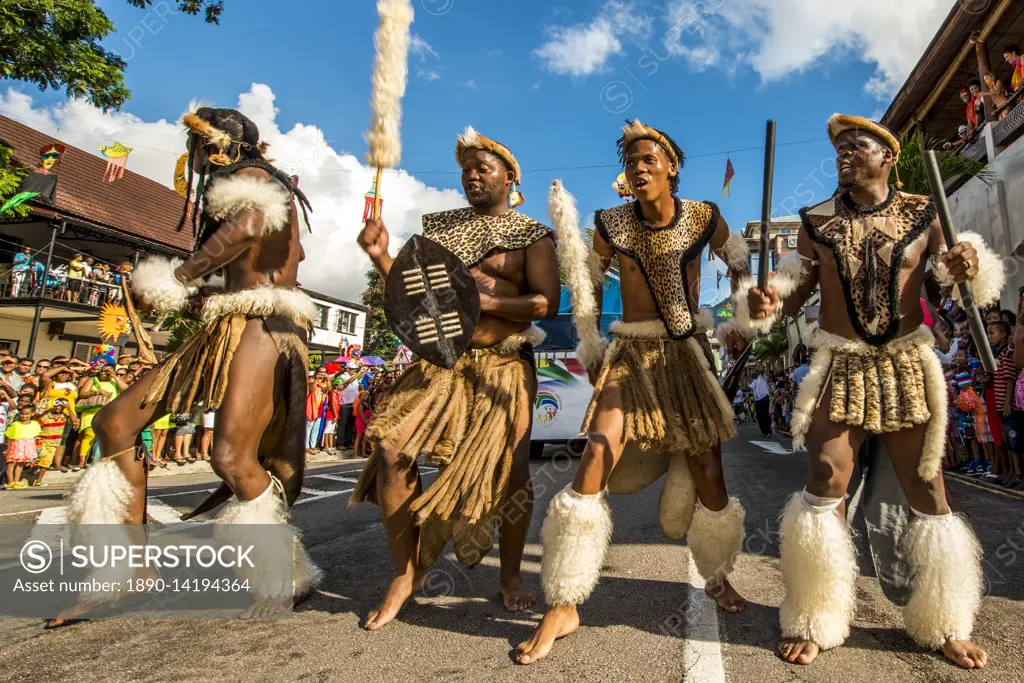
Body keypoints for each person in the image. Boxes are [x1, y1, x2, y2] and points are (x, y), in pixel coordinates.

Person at [741, 114, 1000, 668]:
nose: (843, 152)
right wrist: (765, 302)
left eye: (857, 145)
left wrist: (965, 264)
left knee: (926, 490)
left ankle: (946, 621)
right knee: (825, 478)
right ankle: (815, 615)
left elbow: (950, 281)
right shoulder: (816, 222)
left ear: (888, 157)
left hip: (906, 365)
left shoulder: (925, 215)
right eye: (838, 145)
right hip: (840, 364)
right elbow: (790, 289)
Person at [51, 107, 321, 627]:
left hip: (266, 323)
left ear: (218, 145)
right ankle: (127, 568)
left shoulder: (255, 179)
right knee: (114, 423)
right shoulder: (249, 184)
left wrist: (179, 277)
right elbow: (273, 248)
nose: (193, 155)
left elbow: (248, 227)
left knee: (231, 457)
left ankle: (283, 576)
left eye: (197, 145)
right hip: (229, 320)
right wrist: (206, 294)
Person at [518, 120, 750, 665]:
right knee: (597, 449)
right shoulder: (611, 223)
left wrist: (739, 315)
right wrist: (591, 337)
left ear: (670, 165)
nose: (638, 167)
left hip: (687, 356)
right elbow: (591, 285)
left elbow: (739, 259)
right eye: (630, 160)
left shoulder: (703, 216)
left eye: (648, 158)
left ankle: (716, 578)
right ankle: (565, 600)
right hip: (631, 353)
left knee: (710, 477)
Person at [352, 126, 559, 630]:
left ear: (510, 177)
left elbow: (544, 304)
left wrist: (481, 300)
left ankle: (509, 574)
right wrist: (381, 256)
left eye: (482, 167)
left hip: (504, 364)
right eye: (465, 169)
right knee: (391, 448)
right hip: (440, 363)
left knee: (512, 474)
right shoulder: (440, 231)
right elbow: (411, 296)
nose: (471, 175)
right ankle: (406, 573)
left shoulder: (532, 236)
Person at [3, 405, 40, 489]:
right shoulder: (15, 424)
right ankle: (10, 481)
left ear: (32, 414)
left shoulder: (34, 424)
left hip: (27, 446)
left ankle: (16, 481)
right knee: (11, 463)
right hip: (16, 445)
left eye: (27, 414)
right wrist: (8, 449)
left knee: (20, 464)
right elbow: (9, 436)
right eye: (22, 414)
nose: (24, 416)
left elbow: (35, 436)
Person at [306, 365, 330, 453]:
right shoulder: (312, 380)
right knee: (309, 426)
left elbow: (330, 389)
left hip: (320, 406)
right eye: (320, 372)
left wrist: (328, 380)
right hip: (312, 405)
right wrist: (316, 380)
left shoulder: (325, 382)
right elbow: (311, 389)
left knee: (316, 427)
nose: (322, 374)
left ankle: (313, 446)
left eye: (324, 372)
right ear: (317, 372)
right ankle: (306, 446)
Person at [750, 367, 772, 436]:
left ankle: (768, 431)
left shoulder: (762, 377)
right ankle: (763, 431)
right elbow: (748, 388)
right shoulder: (754, 381)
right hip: (757, 400)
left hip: (764, 398)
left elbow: (762, 370)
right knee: (759, 416)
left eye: (755, 372)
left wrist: (755, 368)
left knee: (765, 415)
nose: (754, 372)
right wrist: (745, 378)